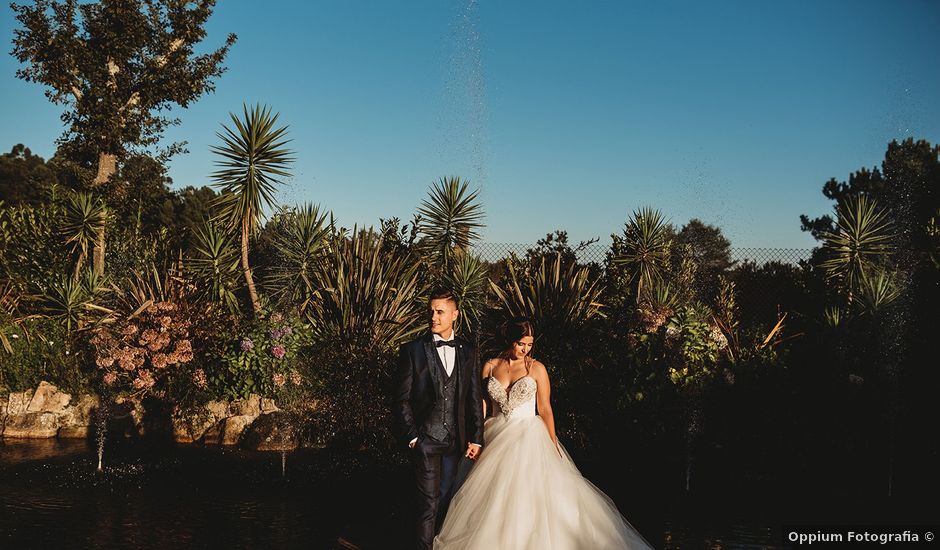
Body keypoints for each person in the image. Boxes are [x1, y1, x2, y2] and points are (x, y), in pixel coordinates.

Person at [433, 317, 654, 550]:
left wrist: (551, 442)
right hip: (495, 434)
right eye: (520, 343)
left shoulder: (537, 368)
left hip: (528, 435)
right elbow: (483, 405)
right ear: (510, 341)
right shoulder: (490, 366)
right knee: (491, 496)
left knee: (529, 491)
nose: (525, 349)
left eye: (529, 344)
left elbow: (546, 408)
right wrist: (475, 436)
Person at [393, 288, 485, 550]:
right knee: (428, 505)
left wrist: (476, 438)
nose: (433, 317)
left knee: (446, 499)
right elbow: (401, 399)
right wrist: (413, 437)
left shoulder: (468, 351)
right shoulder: (413, 350)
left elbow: (473, 397)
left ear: (454, 315)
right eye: (431, 311)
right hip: (425, 440)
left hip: (454, 442)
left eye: (440, 312)